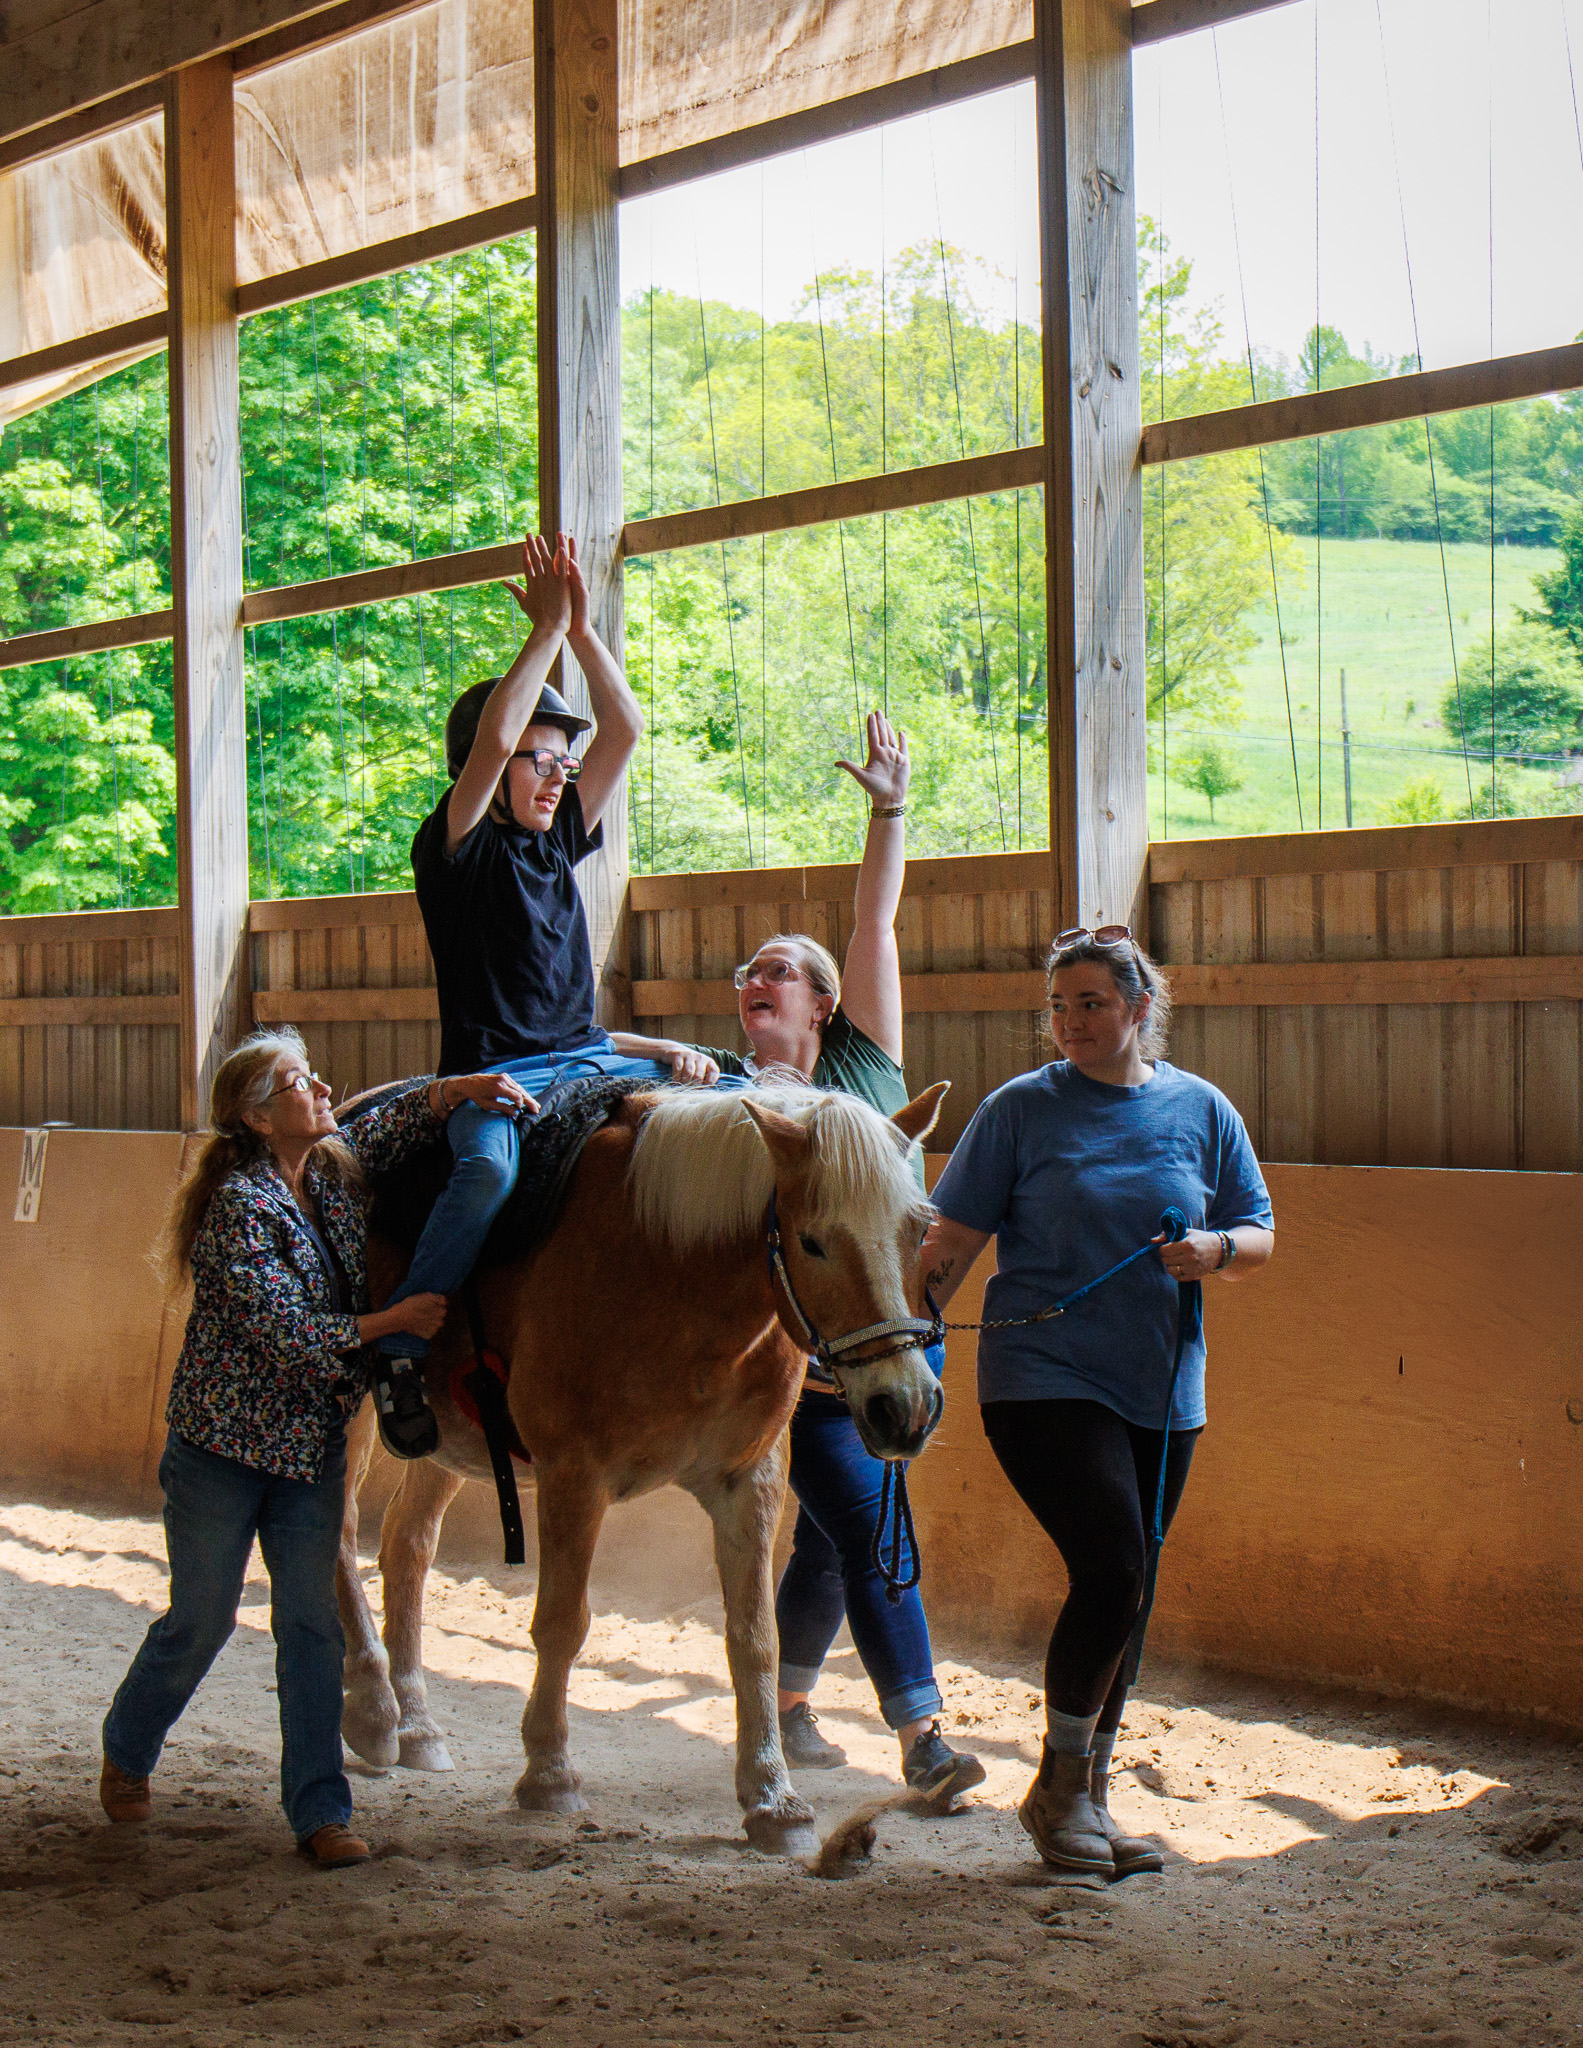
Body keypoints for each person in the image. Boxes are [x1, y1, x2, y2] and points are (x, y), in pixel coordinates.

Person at [614, 711, 984, 1798]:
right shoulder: (724, 1099)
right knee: (862, 1524)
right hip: (799, 1365)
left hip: (894, 1335)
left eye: (777, 971)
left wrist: (886, 807)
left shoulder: (867, 1059)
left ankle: (785, 1697)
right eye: (745, 974)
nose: (753, 982)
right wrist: (656, 1049)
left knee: (829, 1536)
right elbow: (612, 1073)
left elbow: (874, 917)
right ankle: (922, 1734)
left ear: (823, 1002)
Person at [100, 1029, 528, 1866]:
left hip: (308, 1452)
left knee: (310, 1630)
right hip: (224, 1452)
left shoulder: (330, 1171)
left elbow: (396, 1119)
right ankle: (127, 1745)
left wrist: (460, 1090)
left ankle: (319, 1813)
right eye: (300, 1081)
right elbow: (285, 1332)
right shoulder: (239, 1207)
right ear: (259, 1117)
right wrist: (394, 1323)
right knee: (203, 1620)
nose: (323, 1087)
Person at [921, 927, 1274, 1879]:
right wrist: (905, 1340)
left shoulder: (1201, 1110)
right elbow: (949, 1242)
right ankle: (1058, 1791)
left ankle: (1088, 1794)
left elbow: (1258, 1230)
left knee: (1130, 1592)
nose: (1069, 1021)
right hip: (1042, 1373)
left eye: (1089, 1003)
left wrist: (1216, 1252)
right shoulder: (1019, 1112)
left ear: (1138, 1009)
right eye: (1058, 1005)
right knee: (1113, 1565)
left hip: (1162, 1382)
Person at [372, 530, 682, 1460]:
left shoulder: (558, 840)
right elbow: (499, 736)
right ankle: (397, 1343)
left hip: (585, 1055)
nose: (556, 777)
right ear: (489, 770)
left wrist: (582, 632)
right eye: (539, 762)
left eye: (561, 766)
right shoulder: (457, 847)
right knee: (488, 1172)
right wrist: (541, 633)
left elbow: (624, 729)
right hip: (493, 1070)